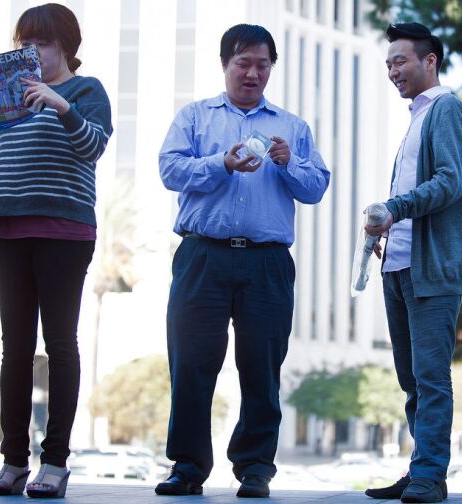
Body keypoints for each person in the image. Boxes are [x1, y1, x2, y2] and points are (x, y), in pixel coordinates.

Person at [156, 24, 329, 499]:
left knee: (261, 367)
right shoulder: (195, 117)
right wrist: (221, 164)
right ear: (225, 65)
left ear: (271, 68)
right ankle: (187, 467)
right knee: (191, 364)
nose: (252, 73)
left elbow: (315, 188)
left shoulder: (292, 128)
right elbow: (169, 169)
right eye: (243, 63)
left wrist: (288, 162)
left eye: (262, 64)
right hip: (201, 256)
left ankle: (255, 468)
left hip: (267, 263)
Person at [0, 4, 112, 499]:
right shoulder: (13, 93)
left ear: (66, 45)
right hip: (10, 227)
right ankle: (12, 458)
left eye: (40, 43)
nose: (31, 52)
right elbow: (2, 145)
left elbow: (92, 146)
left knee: (60, 343)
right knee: (13, 346)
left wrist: (59, 104)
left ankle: (54, 461)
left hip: (65, 229)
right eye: (24, 43)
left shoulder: (86, 90)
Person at [364, 23, 462, 504]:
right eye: (388, 63)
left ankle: (430, 475)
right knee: (411, 380)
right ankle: (421, 470)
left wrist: (395, 208)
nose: (393, 70)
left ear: (430, 61)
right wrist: (384, 230)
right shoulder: (416, 118)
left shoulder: (446, 109)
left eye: (400, 61)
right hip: (399, 267)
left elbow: (451, 181)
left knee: (431, 378)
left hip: (431, 270)